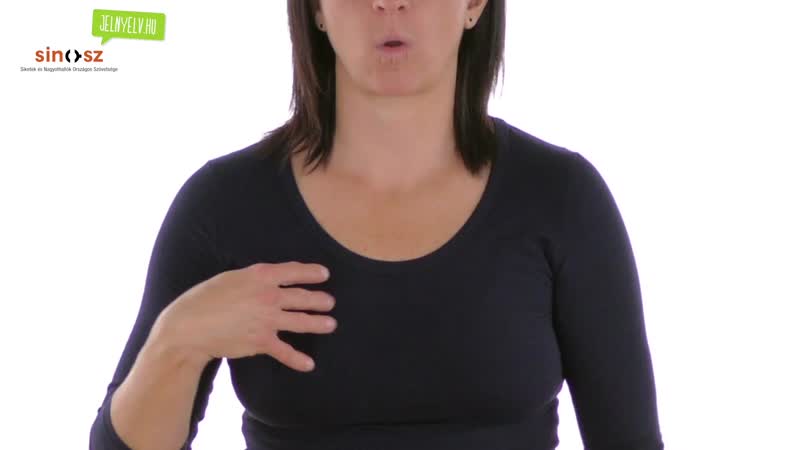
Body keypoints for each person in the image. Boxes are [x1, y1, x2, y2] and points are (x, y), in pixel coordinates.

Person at [89, 1, 665, 449]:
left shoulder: (562, 199)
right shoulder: (223, 206)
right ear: (316, 9)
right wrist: (178, 341)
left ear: (474, 5)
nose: (389, 4)